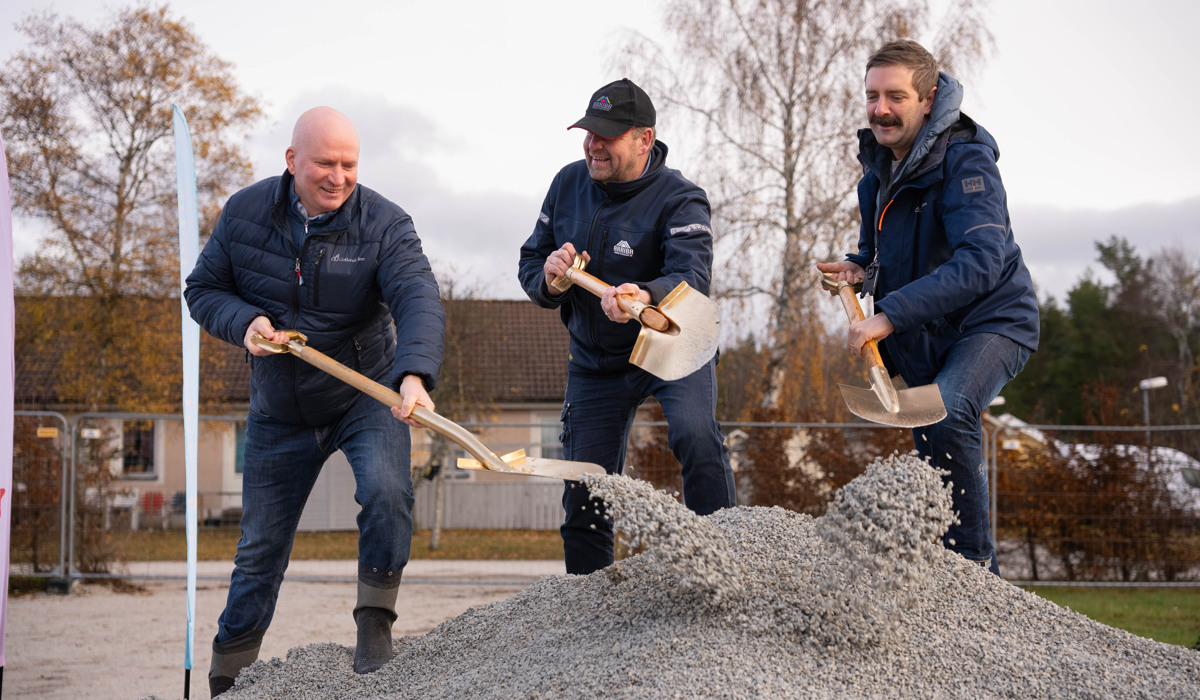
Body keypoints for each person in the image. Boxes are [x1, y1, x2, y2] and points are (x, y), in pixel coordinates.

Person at [185, 106, 446, 694]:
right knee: (258, 550)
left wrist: (414, 373)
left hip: (366, 393)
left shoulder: (384, 223)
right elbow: (202, 289)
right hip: (280, 408)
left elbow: (419, 297)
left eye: (349, 164)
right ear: (291, 161)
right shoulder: (245, 212)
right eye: (324, 163)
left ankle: (375, 625)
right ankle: (229, 673)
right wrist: (244, 321)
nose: (338, 176)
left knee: (387, 491)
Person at [818, 40, 1039, 574]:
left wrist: (888, 315)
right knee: (933, 448)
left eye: (895, 96)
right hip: (925, 333)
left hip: (992, 322)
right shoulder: (876, 174)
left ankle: (974, 569)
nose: (880, 109)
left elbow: (982, 260)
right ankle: (942, 569)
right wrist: (858, 267)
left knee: (947, 406)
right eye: (872, 96)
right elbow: (882, 253)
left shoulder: (967, 161)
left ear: (929, 98)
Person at [518, 78, 736, 575]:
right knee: (586, 483)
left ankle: (723, 561)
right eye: (588, 133)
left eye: (607, 136)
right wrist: (551, 281)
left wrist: (645, 295)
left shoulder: (682, 199)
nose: (593, 144)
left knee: (696, 436)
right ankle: (589, 603)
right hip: (596, 361)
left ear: (643, 139)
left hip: (671, 346)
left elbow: (692, 278)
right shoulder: (566, 183)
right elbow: (532, 262)